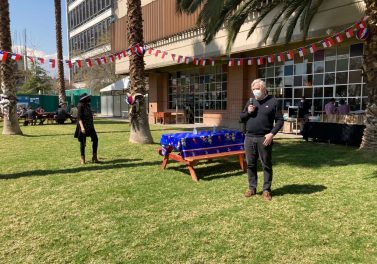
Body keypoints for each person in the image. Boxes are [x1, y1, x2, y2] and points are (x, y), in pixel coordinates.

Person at [240, 79, 284, 201]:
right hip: (249, 138)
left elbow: (280, 120)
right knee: (250, 164)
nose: (255, 91)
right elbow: (241, 117)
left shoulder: (274, 101)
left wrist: (271, 134)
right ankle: (252, 188)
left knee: (266, 164)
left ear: (263, 89)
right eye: (253, 89)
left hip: (264, 138)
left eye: (257, 89)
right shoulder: (250, 102)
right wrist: (248, 112)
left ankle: (266, 190)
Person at [74, 93, 99, 164]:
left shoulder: (88, 105)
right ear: (84, 99)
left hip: (90, 126)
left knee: (95, 139)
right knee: (82, 142)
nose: (89, 98)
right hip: (83, 126)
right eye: (87, 97)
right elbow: (79, 118)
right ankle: (82, 158)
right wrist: (82, 127)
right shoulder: (80, 105)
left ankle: (94, 157)